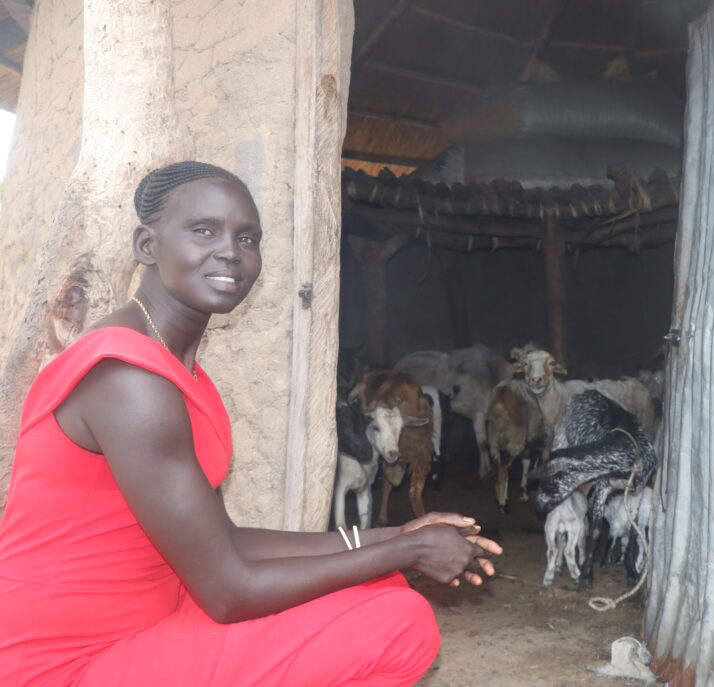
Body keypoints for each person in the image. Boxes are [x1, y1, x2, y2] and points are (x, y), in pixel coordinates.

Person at [0, 161, 502, 687]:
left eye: (247, 237)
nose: (230, 251)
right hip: (62, 661)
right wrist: (408, 550)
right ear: (147, 246)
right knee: (400, 625)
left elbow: (225, 541)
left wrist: (393, 535)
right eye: (204, 230)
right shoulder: (129, 378)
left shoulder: (179, 371)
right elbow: (228, 591)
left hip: (142, 625)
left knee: (382, 590)